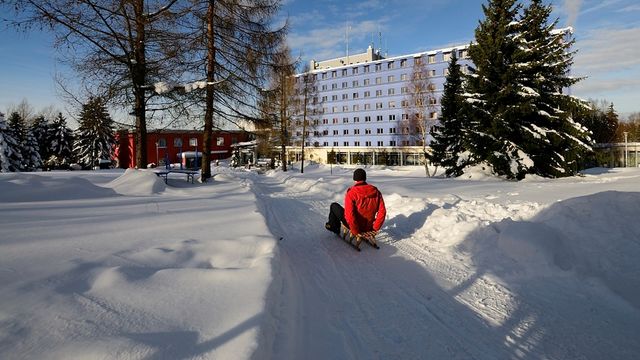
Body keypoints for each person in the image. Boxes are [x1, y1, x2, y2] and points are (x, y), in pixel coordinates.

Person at [325, 168, 386, 238]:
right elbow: (382, 212)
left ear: (354, 179)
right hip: (368, 226)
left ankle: (333, 227)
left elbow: (349, 215)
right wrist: (375, 228)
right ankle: (334, 226)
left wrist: (355, 230)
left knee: (334, 206)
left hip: (356, 227)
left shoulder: (352, 193)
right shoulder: (376, 192)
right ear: (365, 178)